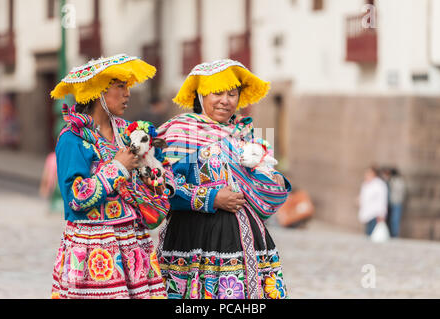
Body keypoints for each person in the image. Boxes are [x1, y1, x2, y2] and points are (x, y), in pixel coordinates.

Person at [156, 59, 292, 299]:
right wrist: (212, 198)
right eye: (217, 93)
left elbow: (256, 175)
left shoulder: (243, 132)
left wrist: (272, 178)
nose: (226, 100)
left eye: (232, 93)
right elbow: (163, 187)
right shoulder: (181, 132)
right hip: (195, 236)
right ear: (200, 95)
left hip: (248, 237)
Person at [49, 54, 174, 299]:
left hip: (132, 241)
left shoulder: (128, 133)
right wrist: (118, 166)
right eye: (120, 87)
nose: (127, 93)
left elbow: (158, 168)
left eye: (127, 86)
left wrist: (153, 179)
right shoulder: (72, 138)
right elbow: (75, 198)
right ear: (98, 92)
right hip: (94, 246)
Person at [358, 165, 388, 236]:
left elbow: (382, 200)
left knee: (372, 234)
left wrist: (382, 214)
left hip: (375, 214)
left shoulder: (379, 184)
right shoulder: (365, 184)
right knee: (368, 234)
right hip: (367, 213)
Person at [388, 168, 406, 237]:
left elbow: (401, 192)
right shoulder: (393, 180)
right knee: (392, 219)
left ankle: (394, 234)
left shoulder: (398, 181)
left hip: (396, 202)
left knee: (395, 219)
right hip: (392, 202)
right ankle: (392, 233)